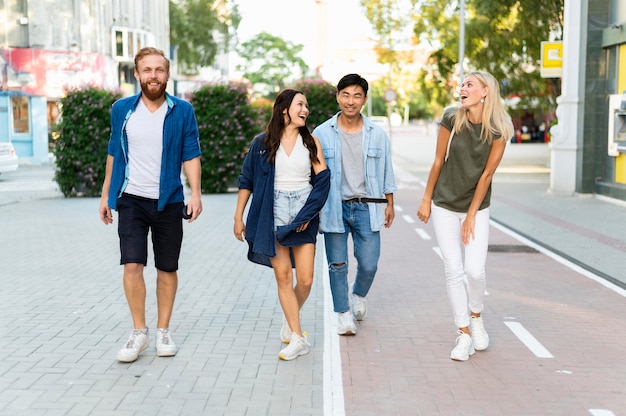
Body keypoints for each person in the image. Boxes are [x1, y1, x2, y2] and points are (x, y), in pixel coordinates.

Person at [99, 47, 203, 363]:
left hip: (169, 199)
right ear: (137, 74)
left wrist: (195, 193)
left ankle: (163, 331)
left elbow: (191, 153)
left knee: (166, 267)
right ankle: (138, 331)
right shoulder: (122, 109)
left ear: (167, 74)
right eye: (147, 70)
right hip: (130, 199)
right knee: (132, 264)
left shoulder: (182, 111)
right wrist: (106, 195)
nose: (153, 76)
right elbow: (113, 154)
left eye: (159, 70)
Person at [416, 71, 514, 361]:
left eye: (469, 84)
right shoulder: (451, 117)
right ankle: (463, 333)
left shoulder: (500, 129)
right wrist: (426, 199)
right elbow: (438, 161)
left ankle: (476, 316)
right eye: (462, 85)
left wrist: (471, 215)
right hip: (444, 204)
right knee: (453, 270)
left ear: (485, 92)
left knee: (475, 270)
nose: (462, 88)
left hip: (477, 207)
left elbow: (486, 176)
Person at [234, 89, 329, 361]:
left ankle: (290, 318)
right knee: (284, 276)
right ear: (285, 109)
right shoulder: (262, 143)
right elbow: (247, 181)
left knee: (307, 280)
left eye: (307, 106)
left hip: (303, 211)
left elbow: (322, 180)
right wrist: (238, 216)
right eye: (301, 104)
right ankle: (298, 338)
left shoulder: (311, 142)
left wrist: (308, 215)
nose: (306, 109)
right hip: (271, 211)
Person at [312, 74, 397, 336]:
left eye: (357, 95)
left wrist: (389, 203)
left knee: (369, 263)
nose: (351, 101)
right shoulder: (321, 133)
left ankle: (358, 294)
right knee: (337, 265)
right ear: (338, 97)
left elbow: (386, 171)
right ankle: (343, 314)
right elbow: (313, 175)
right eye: (346, 95)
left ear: (365, 100)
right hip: (334, 207)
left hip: (367, 206)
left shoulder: (378, 135)